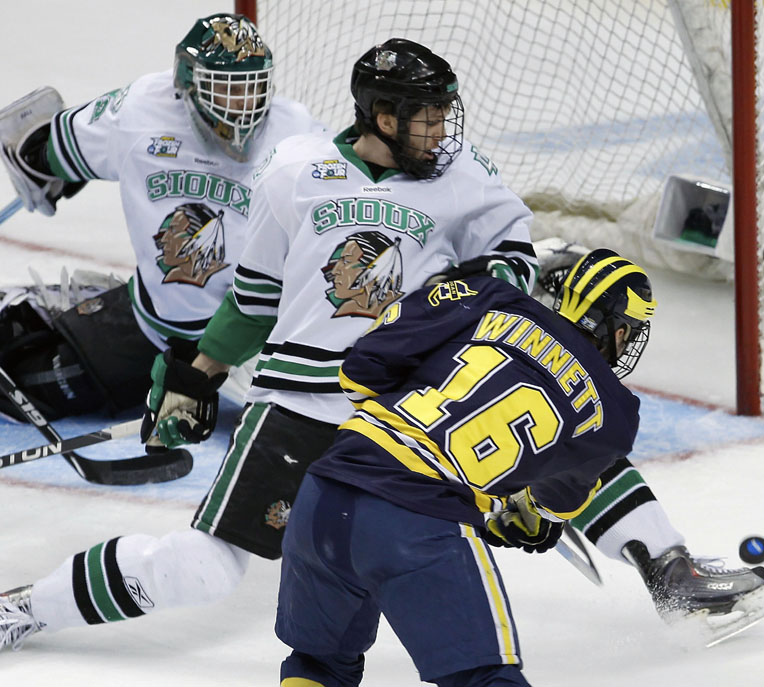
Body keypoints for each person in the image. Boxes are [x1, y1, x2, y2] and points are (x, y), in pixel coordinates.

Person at [0, 38, 539, 651]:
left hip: (407, 418)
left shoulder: (465, 173)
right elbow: (254, 299)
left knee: (436, 565)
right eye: (428, 117)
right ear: (384, 119)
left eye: (446, 115)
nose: (443, 130)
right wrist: (197, 377)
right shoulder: (296, 169)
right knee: (208, 567)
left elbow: (516, 264)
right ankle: (28, 608)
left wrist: (464, 292)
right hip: (299, 412)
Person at [273, 250, 764, 686]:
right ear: (619, 330)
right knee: (484, 678)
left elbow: (360, 369)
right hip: (416, 519)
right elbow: (549, 509)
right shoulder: (615, 410)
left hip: (323, 492)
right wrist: (525, 516)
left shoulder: (491, 297)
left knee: (320, 663)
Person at [0, 12, 326, 421]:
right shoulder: (142, 109)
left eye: (252, 89)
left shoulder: (297, 133)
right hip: (154, 325)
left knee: (292, 425)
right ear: (187, 83)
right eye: (225, 89)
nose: (242, 107)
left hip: (251, 338)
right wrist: (45, 164)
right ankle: (43, 310)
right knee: (35, 381)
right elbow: (46, 146)